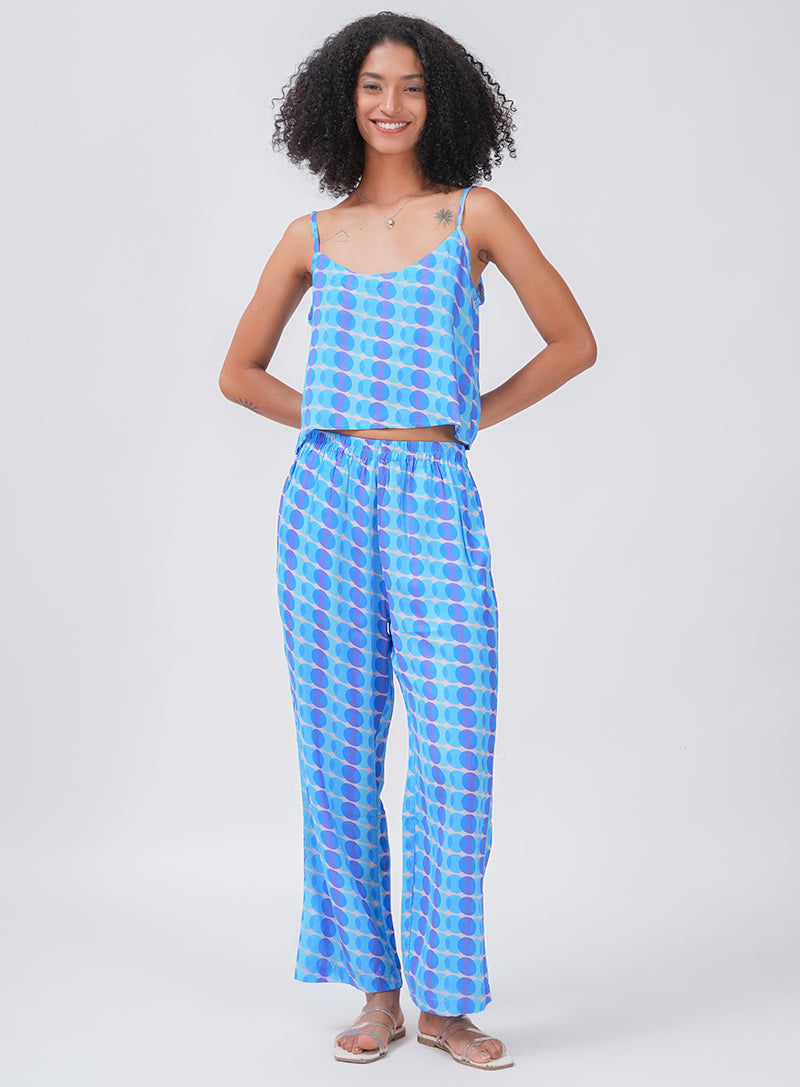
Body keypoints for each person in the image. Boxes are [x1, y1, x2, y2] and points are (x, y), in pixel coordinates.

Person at [219, 11, 596, 1071]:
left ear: (444, 101)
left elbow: (573, 343)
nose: (392, 104)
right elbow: (237, 372)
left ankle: (448, 999)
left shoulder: (475, 215)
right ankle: (376, 991)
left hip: (433, 490)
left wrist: (460, 418)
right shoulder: (310, 235)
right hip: (326, 500)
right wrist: (337, 416)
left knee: (455, 749)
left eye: (413, 86)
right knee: (337, 751)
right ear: (344, 100)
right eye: (374, 86)